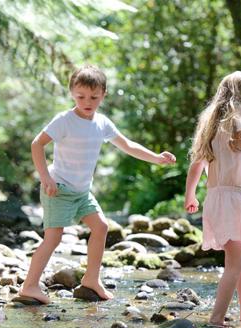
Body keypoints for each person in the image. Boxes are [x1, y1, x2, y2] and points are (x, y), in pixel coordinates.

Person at [19, 65, 176, 304]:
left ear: (103, 94)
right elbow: (36, 144)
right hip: (58, 188)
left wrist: (156, 157)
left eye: (94, 97)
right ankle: (29, 286)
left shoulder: (102, 123)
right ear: (72, 92)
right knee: (53, 238)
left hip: (82, 192)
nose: (87, 101)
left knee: (101, 228)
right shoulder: (64, 120)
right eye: (81, 96)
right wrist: (45, 178)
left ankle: (91, 279)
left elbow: (128, 145)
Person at [184, 71, 241, 325]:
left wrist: (190, 195)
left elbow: (196, 166)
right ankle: (216, 318)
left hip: (222, 198)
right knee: (235, 261)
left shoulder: (213, 127)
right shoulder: (236, 125)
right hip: (230, 200)